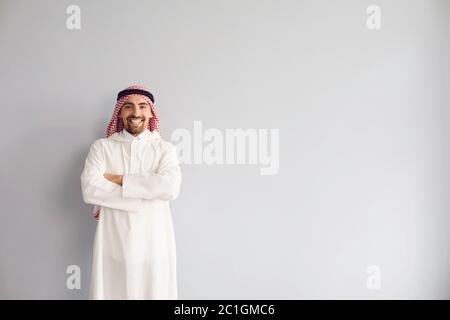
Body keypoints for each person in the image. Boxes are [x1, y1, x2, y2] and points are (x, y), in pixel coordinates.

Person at [81, 85, 182, 299]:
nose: (136, 113)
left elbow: (170, 187)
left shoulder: (165, 149)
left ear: (151, 112)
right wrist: (147, 190)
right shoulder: (102, 148)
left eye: (142, 106)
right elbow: (90, 188)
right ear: (120, 112)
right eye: (129, 106)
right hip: (113, 242)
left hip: (155, 243)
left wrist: (120, 180)